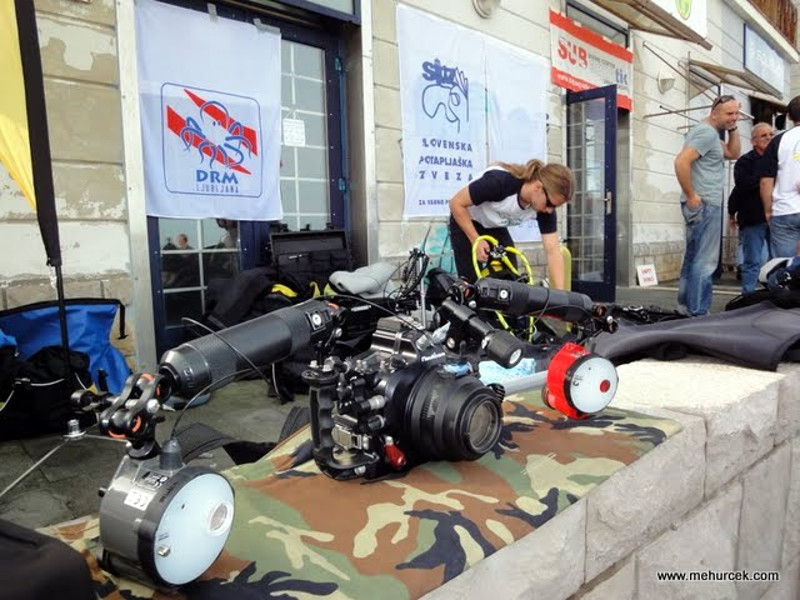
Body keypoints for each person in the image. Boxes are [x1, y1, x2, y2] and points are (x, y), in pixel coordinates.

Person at [448, 159, 575, 288]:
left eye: (555, 207)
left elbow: (553, 251)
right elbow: (456, 203)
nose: (549, 210)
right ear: (538, 187)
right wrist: (475, 239)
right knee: (471, 284)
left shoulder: (544, 209)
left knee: (512, 281)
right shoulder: (499, 182)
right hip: (466, 220)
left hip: (494, 225)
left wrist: (560, 294)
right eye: (550, 204)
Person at [674, 94, 741, 316]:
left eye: (736, 113)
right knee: (705, 262)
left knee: (693, 258)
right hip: (705, 204)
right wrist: (691, 195)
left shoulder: (708, 133)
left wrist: (733, 128)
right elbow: (681, 161)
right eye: (729, 113)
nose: (734, 117)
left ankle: (685, 308)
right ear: (714, 114)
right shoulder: (706, 133)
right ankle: (698, 313)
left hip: (701, 204)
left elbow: (733, 153)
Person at [728, 122, 773, 293]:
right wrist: (766, 179)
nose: (768, 138)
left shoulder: (779, 158)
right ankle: (748, 296)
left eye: (771, 134)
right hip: (753, 218)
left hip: (777, 218)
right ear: (753, 141)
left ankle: (775, 296)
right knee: (752, 261)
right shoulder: (745, 162)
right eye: (763, 135)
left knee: (777, 261)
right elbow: (742, 186)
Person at [759, 95, 800, 259]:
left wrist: (768, 210)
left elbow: (765, 181)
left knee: (783, 264)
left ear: (789, 116)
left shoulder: (778, 141)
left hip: (784, 210)